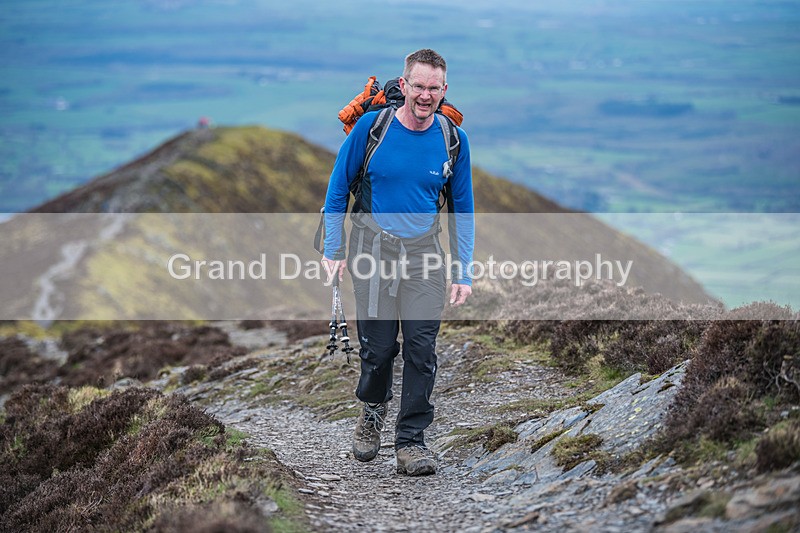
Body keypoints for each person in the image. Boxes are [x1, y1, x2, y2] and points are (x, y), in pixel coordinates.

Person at [321, 49, 474, 476]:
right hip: (372, 251)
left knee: (422, 351)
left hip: (426, 255)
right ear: (404, 86)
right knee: (379, 349)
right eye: (419, 86)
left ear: (444, 90)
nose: (425, 95)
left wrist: (463, 269)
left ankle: (411, 442)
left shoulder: (453, 139)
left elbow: (462, 208)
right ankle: (372, 414)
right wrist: (333, 250)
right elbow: (336, 191)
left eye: (434, 88)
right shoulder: (373, 128)